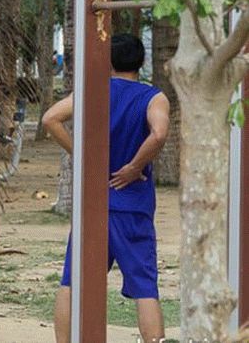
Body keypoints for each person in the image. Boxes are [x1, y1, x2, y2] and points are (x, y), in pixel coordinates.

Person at [42, 33, 170, 343]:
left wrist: (85, 158)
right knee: (144, 287)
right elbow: (159, 134)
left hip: (94, 203)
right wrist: (134, 167)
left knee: (72, 281)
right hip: (132, 206)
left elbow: (50, 119)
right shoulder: (153, 97)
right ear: (140, 61)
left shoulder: (92, 93)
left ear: (107, 60)